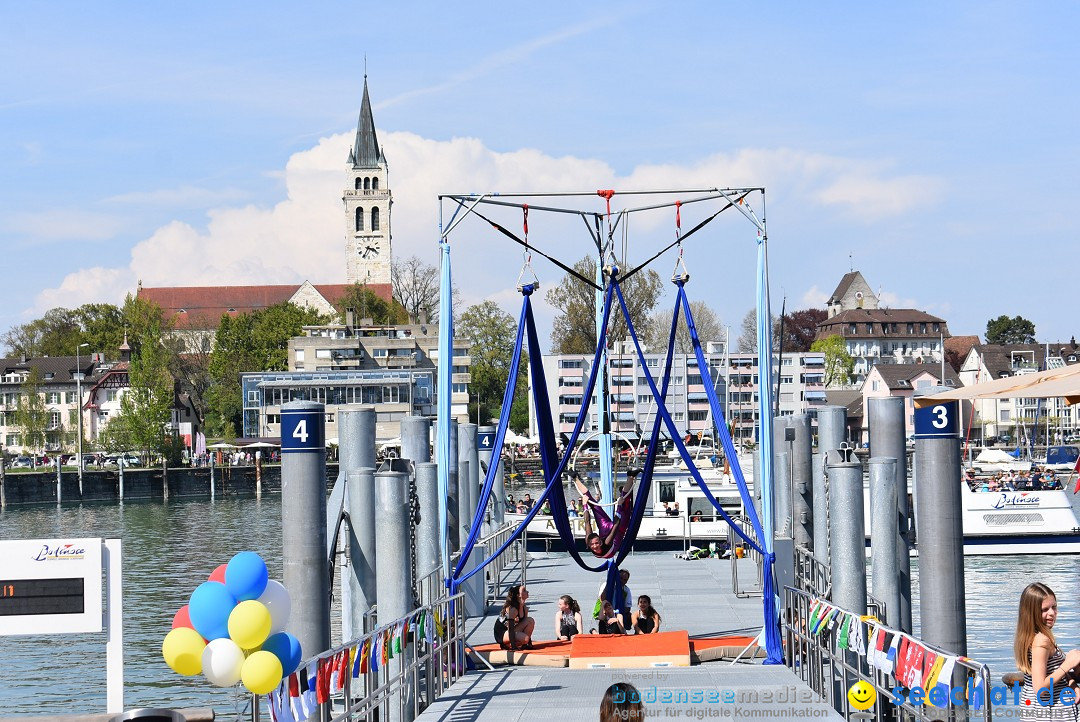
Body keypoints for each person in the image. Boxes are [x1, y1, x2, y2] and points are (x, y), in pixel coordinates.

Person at [1013, 582, 1080, 719]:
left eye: (1054, 607)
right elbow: (1040, 688)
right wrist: (1069, 663)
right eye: (1045, 610)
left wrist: (1072, 684)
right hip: (1051, 712)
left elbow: (1051, 669)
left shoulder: (1031, 636)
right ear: (1031, 613)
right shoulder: (1041, 641)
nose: (1052, 613)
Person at [575, 469, 637, 558]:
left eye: (595, 543)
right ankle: (630, 477)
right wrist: (619, 506)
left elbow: (587, 522)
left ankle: (575, 478)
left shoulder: (588, 540)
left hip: (604, 528)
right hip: (617, 530)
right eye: (594, 544)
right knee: (624, 502)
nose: (595, 546)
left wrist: (585, 504)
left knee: (593, 504)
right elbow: (616, 526)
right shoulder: (607, 543)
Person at [493, 585, 535, 649]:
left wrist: (529, 644)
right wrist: (514, 647)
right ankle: (507, 645)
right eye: (524, 591)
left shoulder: (524, 608)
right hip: (502, 633)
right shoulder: (513, 609)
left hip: (512, 629)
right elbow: (510, 629)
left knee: (530, 620)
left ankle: (524, 645)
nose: (527, 592)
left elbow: (525, 625)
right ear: (518, 595)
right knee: (525, 638)